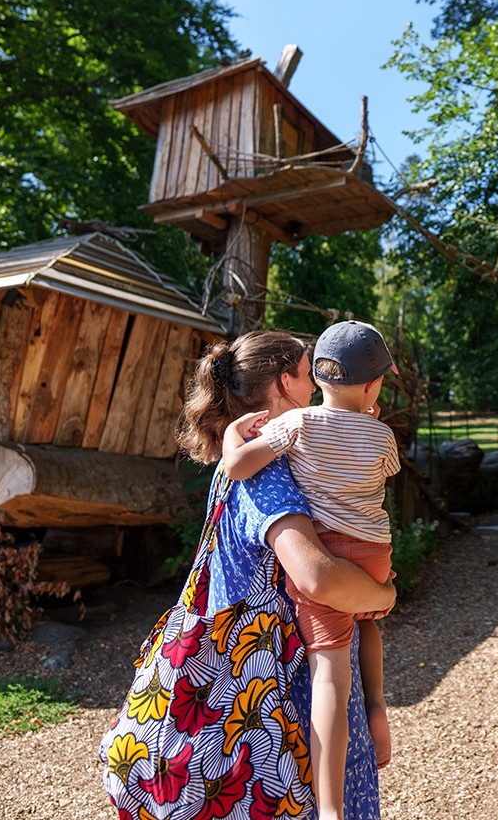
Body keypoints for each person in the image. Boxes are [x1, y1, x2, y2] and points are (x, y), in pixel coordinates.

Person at [103, 329, 393, 819]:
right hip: (281, 711)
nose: (318, 389)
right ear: (285, 385)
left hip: (258, 693)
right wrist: (382, 596)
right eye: (308, 375)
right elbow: (318, 579)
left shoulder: (258, 460)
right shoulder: (269, 473)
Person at [222, 320, 400, 820]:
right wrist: (368, 420)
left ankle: (329, 809)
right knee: (368, 621)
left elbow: (237, 466)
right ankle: (380, 708)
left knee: (330, 676)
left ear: (317, 379)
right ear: (372, 385)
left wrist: (235, 437)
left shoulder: (296, 426)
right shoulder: (382, 435)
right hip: (373, 551)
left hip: (329, 551)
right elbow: (383, 468)